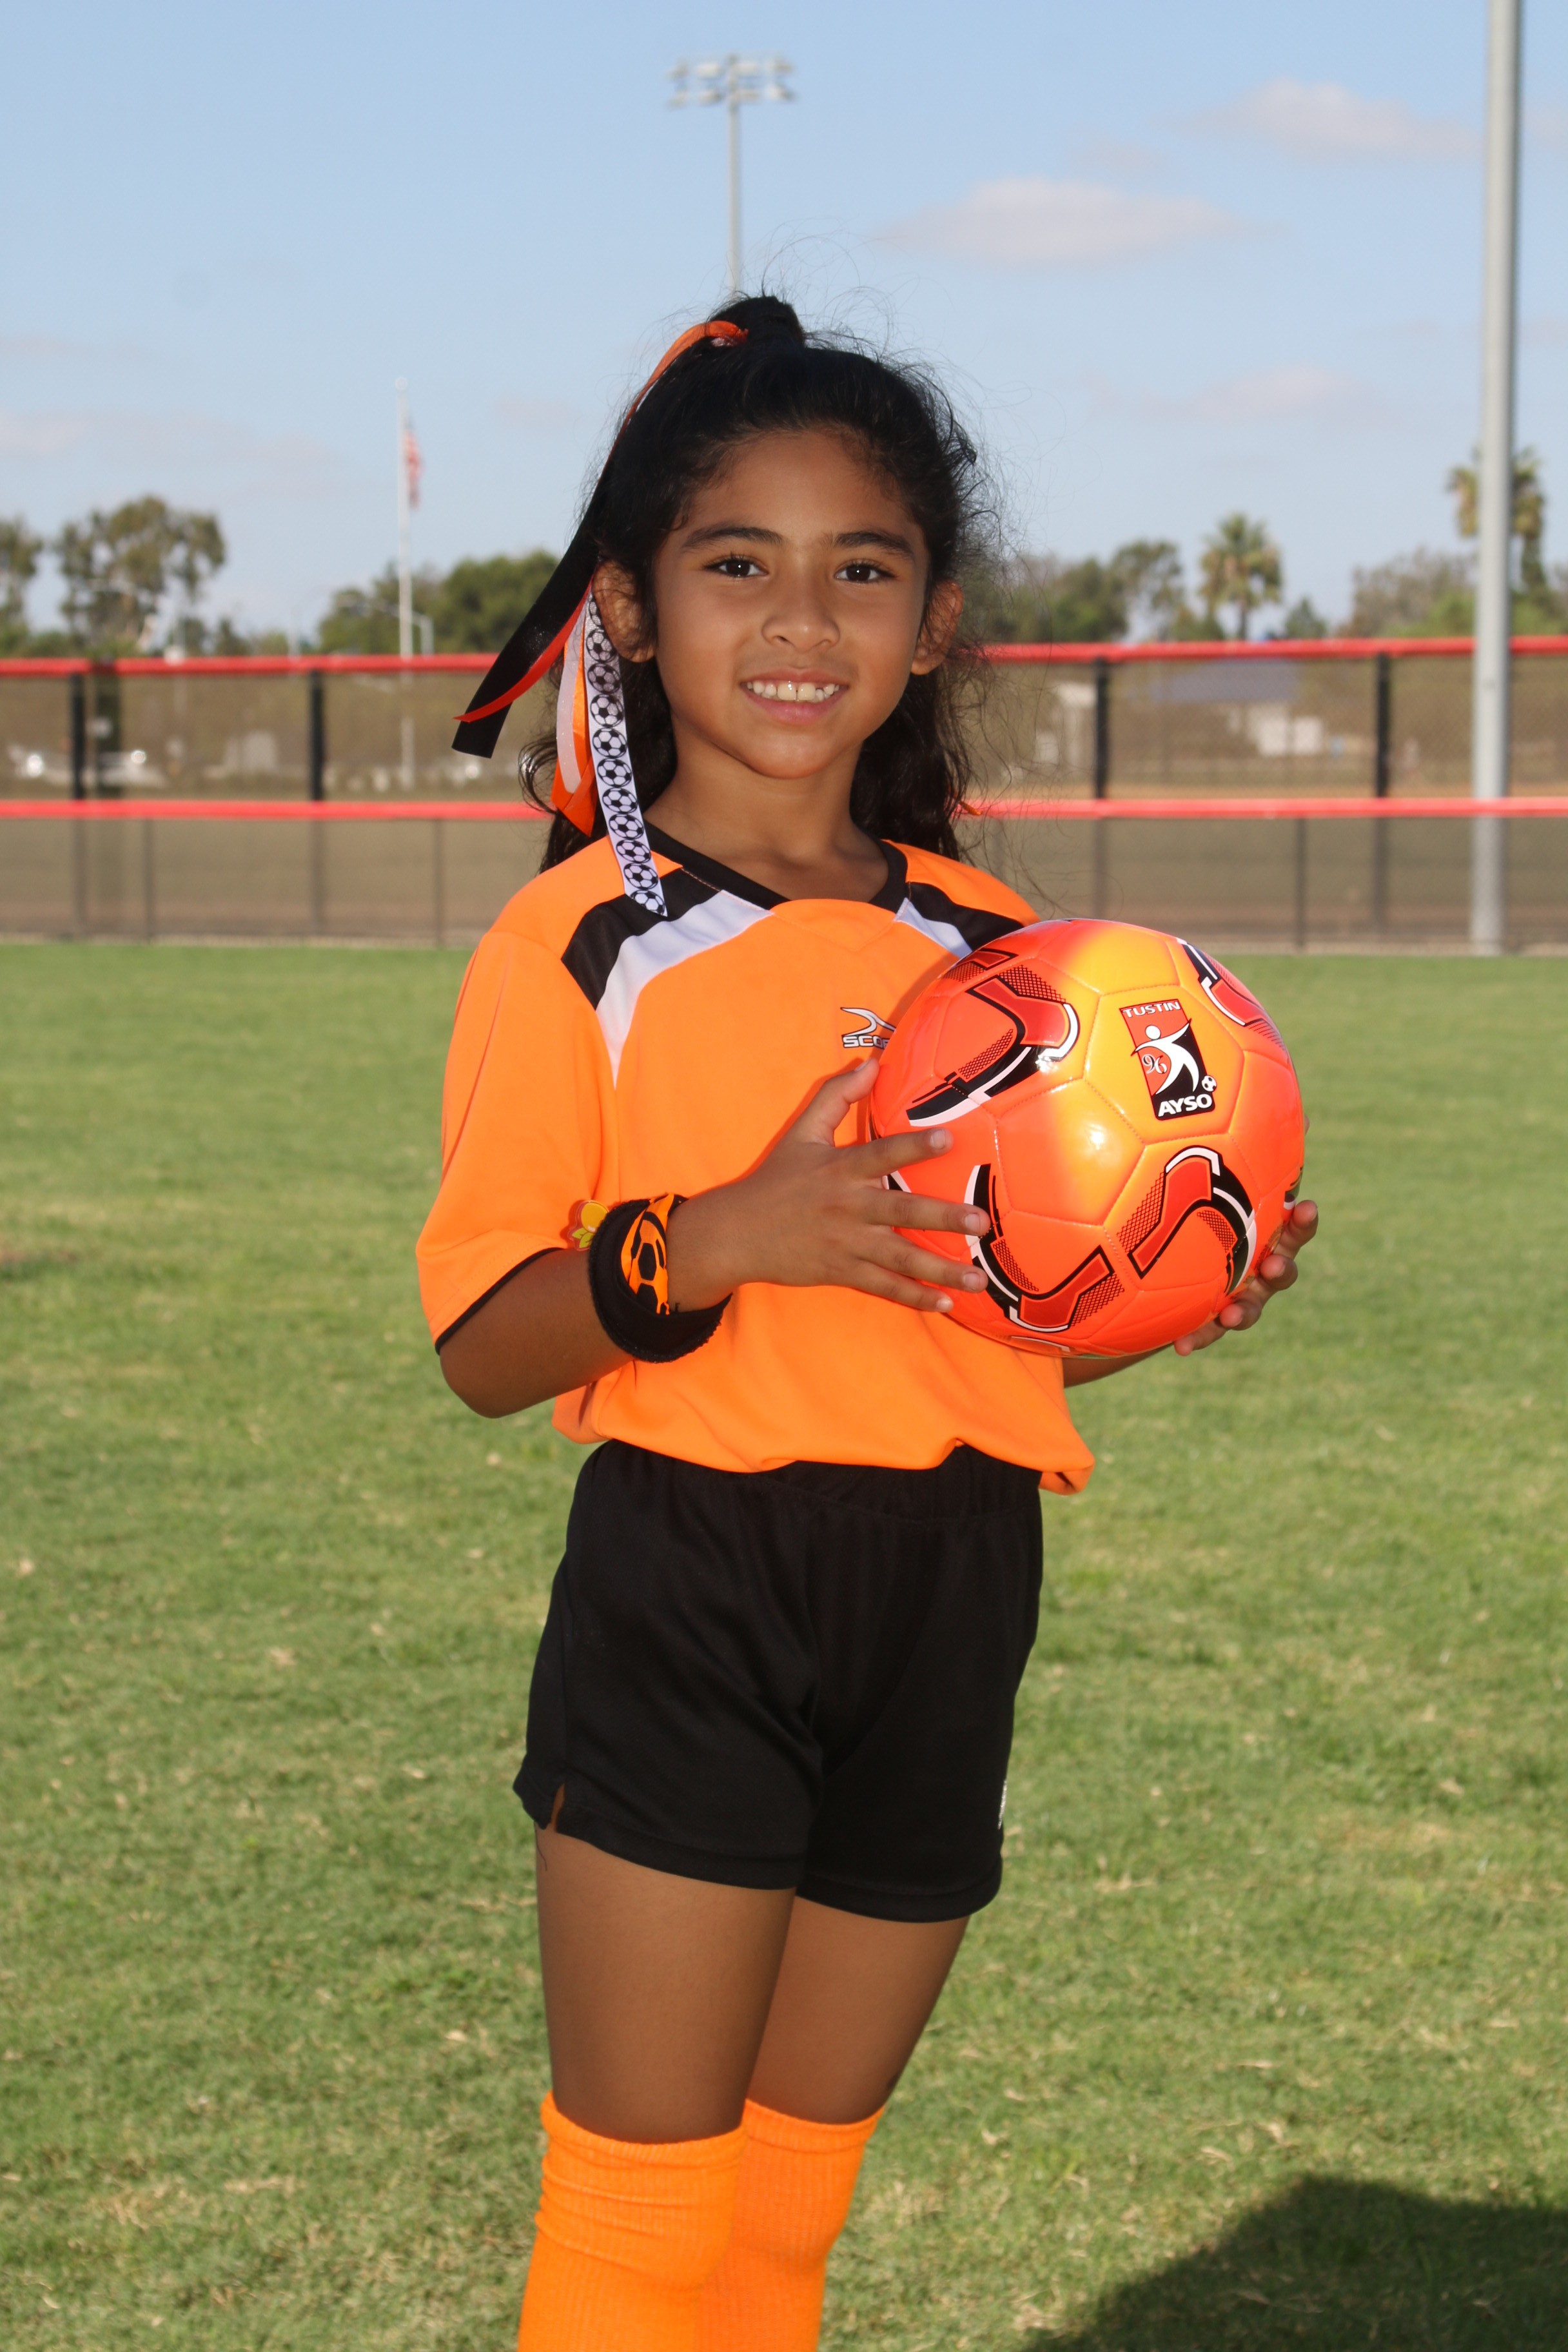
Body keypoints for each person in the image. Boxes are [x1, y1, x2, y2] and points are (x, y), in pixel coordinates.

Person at [416, 297, 1317, 2352]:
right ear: (630, 611)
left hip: (951, 1588)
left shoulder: (1008, 952)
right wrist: (721, 1239)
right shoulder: (583, 939)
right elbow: (483, 1340)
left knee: (781, 2226)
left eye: (864, 569)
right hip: (699, 1584)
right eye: (739, 563)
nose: (801, 619)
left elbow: (985, 1325)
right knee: (645, 2229)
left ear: (934, 625)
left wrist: (1173, 1282)